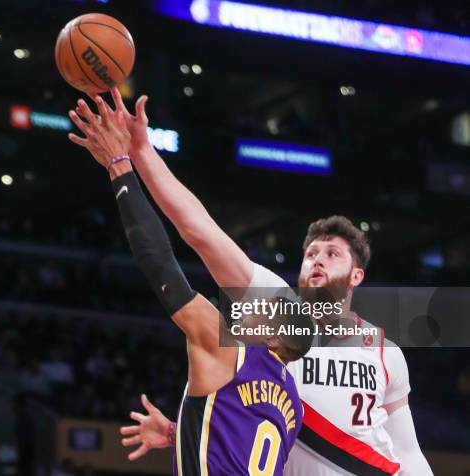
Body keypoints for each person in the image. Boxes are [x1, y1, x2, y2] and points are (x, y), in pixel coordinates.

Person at [70, 89, 433, 475]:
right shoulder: (277, 305)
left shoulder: (385, 353)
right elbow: (199, 230)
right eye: (311, 253)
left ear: (356, 276)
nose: (317, 260)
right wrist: (142, 151)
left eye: (332, 254)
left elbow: (408, 453)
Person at [68, 96, 313, 475]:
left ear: (275, 337)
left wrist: (119, 165)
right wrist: (174, 431)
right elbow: (241, 443)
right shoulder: (292, 407)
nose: (251, 307)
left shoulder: (228, 352)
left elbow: (159, 263)